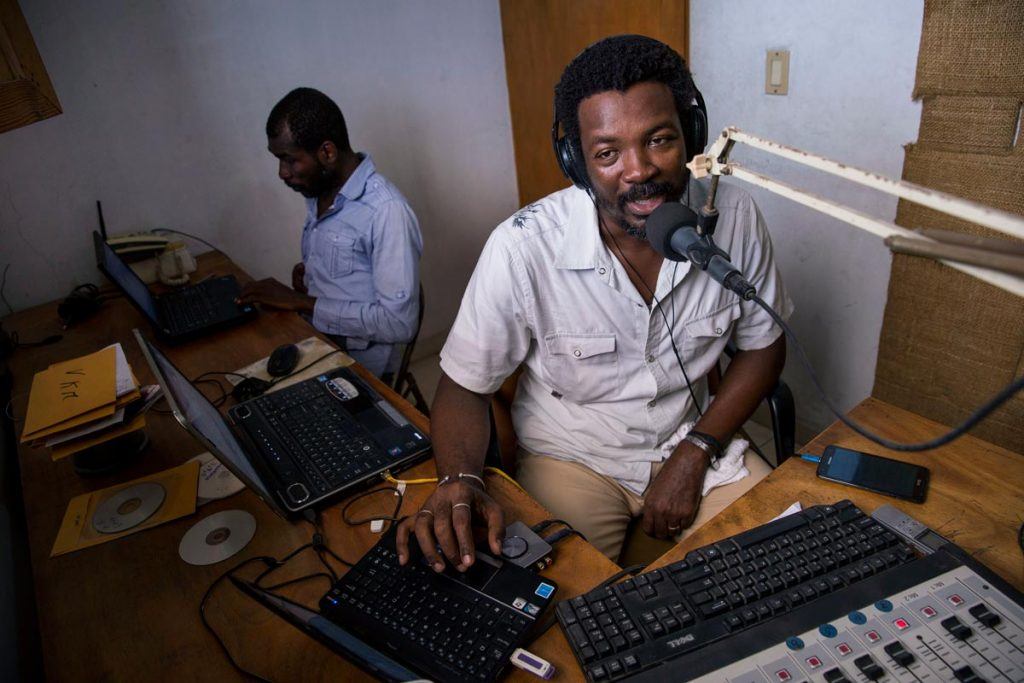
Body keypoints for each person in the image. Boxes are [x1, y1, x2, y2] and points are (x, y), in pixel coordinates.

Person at [396, 35, 792, 571]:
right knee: (547, 602)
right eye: (608, 153)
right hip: (574, 458)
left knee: (789, 566)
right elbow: (465, 386)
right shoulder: (522, 247)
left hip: (694, 439)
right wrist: (459, 480)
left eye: (659, 140)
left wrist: (697, 450)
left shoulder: (735, 217)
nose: (638, 170)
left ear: (690, 135)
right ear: (577, 162)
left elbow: (763, 347)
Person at [239, 87, 423, 378]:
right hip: (320, 338)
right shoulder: (319, 192)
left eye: (289, 159)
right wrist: (314, 276)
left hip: (361, 369)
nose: (282, 173)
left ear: (327, 152)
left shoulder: (387, 211)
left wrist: (302, 302)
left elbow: (398, 323)